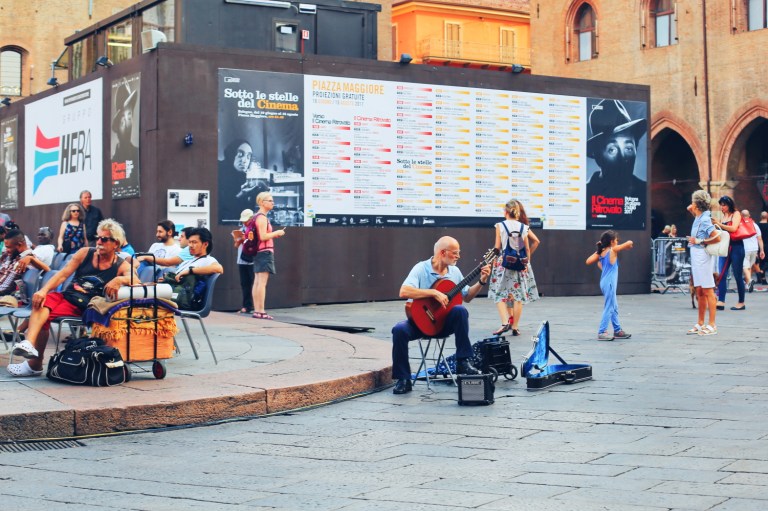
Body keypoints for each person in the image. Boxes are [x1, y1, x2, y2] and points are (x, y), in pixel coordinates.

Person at [7, 219, 136, 377]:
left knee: (42, 312)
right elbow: (62, 275)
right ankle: (28, 344)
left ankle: (34, 365)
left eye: (104, 239)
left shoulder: (121, 265)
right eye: (98, 237)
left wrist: (119, 279)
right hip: (68, 296)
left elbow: (136, 281)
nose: (99, 242)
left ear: (116, 243)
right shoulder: (85, 253)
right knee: (41, 300)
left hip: (87, 305)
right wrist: (44, 290)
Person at [391, 236, 491, 395]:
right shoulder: (421, 268)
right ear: (443, 252)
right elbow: (404, 291)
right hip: (421, 323)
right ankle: (403, 379)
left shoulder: (455, 272)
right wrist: (433, 292)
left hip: (443, 324)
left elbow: (467, 297)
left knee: (460, 310)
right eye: (455, 253)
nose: (459, 256)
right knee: (399, 330)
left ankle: (463, 362)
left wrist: (482, 281)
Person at [585, 99, 648, 230]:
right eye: (612, 150)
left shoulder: (643, 191)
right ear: (598, 156)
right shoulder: (584, 193)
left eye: (629, 148)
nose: (623, 157)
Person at [487, 199, 539, 337]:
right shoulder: (524, 227)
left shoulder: (500, 225)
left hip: (503, 263)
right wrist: (526, 264)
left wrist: (491, 260)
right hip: (520, 264)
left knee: (499, 293)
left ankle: (505, 323)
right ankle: (515, 327)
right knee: (518, 297)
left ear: (506, 211)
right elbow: (527, 248)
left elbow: (497, 248)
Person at [586, 230, 634, 341]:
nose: (617, 242)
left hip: (605, 282)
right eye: (616, 240)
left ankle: (617, 330)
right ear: (612, 241)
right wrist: (628, 245)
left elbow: (588, 261)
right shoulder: (612, 250)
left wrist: (598, 251)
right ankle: (602, 332)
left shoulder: (602, 252)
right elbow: (629, 243)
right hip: (609, 283)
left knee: (613, 306)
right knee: (609, 307)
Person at [686, 190, 720, 336]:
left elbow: (716, 238)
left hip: (702, 254)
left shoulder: (704, 219)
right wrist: (694, 206)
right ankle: (700, 322)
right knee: (699, 289)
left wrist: (699, 240)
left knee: (708, 289)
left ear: (697, 204)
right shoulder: (699, 216)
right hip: (696, 254)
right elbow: (689, 208)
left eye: (693, 201)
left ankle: (712, 324)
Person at [165, 227, 224, 310]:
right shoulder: (188, 261)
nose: (190, 245)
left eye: (194, 242)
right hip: (173, 295)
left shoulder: (207, 260)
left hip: (182, 300)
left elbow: (219, 269)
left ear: (205, 244)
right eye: (189, 242)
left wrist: (190, 271)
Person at [251, 192, 285, 320]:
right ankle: (261, 311)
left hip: (258, 252)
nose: (272, 202)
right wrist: (277, 233)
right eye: (270, 200)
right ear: (261, 202)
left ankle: (257, 310)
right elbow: (263, 236)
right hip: (264, 251)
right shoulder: (262, 218)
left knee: (257, 282)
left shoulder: (256, 217)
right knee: (261, 283)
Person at [218, 139, 270, 224]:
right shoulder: (220, 171)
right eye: (240, 154)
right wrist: (241, 194)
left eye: (248, 156)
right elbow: (222, 209)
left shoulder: (247, 176)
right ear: (231, 154)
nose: (244, 160)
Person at [713, 196, 746, 311]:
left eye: (724, 205)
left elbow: (733, 228)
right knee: (722, 274)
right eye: (721, 205)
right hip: (725, 247)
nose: (722, 207)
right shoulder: (724, 216)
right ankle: (721, 300)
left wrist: (719, 224)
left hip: (736, 247)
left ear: (729, 205)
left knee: (737, 276)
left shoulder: (736, 214)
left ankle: (741, 302)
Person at [0, 228, 50, 297]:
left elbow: (49, 271)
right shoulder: (10, 255)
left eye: (8, 247)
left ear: (20, 245)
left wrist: (31, 259)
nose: (7, 250)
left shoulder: (28, 259)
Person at [235, 209, 255, 314]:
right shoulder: (241, 229)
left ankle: (255, 306)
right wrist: (239, 240)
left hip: (252, 259)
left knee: (254, 283)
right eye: (243, 220)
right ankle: (246, 306)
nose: (244, 222)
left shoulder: (255, 229)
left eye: (246, 220)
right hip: (241, 259)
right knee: (244, 283)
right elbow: (236, 246)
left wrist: (247, 238)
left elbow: (255, 243)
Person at [741, 210, 764, 292]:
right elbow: (760, 238)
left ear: (741, 215)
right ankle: (748, 284)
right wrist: (762, 250)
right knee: (749, 267)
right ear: (749, 215)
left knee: (745, 267)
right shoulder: (755, 225)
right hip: (754, 249)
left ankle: (749, 281)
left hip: (745, 249)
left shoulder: (740, 225)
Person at [757, 211, 768, 284]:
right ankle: (762, 272)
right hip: (767, 245)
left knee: (760, 262)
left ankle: (760, 279)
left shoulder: (757, 225)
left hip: (758, 245)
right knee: (766, 261)